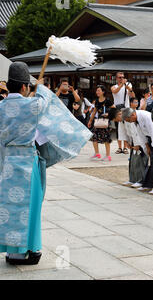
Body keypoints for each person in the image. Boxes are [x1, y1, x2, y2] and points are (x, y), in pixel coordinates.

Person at [0, 62, 91, 265]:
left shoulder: (0, 107)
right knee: (30, 207)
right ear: (25, 86)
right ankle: (31, 249)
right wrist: (39, 85)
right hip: (26, 162)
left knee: (10, 206)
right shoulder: (33, 105)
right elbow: (47, 99)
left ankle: (13, 251)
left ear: (8, 85)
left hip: (7, 163)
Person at [109, 107, 150, 188]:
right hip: (132, 141)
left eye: (116, 119)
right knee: (133, 162)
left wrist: (138, 144)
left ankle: (141, 180)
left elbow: (136, 131)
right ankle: (132, 179)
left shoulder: (129, 116)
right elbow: (123, 131)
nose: (117, 121)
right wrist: (127, 141)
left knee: (140, 161)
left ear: (119, 114)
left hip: (140, 140)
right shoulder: (122, 121)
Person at [87, 85, 115, 162]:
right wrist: (90, 121)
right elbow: (94, 112)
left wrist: (108, 114)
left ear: (103, 92)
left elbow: (114, 109)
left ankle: (108, 156)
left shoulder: (108, 101)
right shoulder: (96, 101)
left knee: (106, 138)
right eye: (97, 91)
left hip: (105, 122)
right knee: (94, 137)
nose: (97, 92)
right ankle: (97, 153)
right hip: (98, 121)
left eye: (99, 90)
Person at [111, 72, 135, 155]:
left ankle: (125, 147)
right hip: (117, 109)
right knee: (118, 128)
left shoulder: (128, 84)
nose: (121, 79)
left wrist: (128, 87)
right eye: (120, 77)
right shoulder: (114, 86)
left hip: (126, 109)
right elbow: (115, 91)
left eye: (123, 77)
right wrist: (122, 84)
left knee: (126, 128)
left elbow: (132, 95)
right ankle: (119, 147)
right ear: (117, 78)